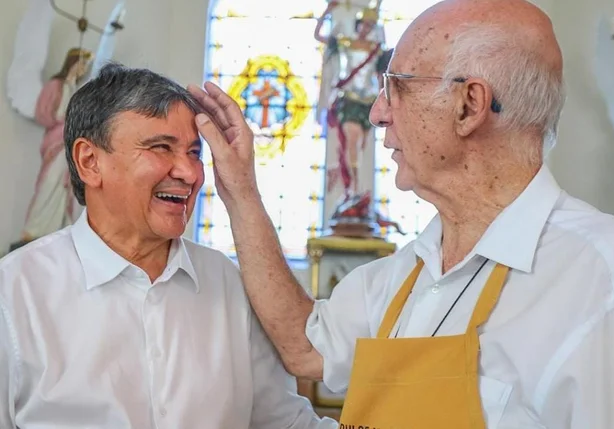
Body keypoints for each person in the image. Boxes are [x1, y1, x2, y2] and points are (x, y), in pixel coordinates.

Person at [189, 0, 614, 428]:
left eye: (398, 86)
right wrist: (242, 192)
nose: (377, 114)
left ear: (469, 105)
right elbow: (307, 347)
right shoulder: (405, 272)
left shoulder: (600, 280)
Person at [0, 63, 337, 429]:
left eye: (194, 153)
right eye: (161, 147)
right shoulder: (15, 293)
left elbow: (285, 424)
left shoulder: (230, 285)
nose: (190, 173)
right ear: (90, 161)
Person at [11, 48, 92, 252]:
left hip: (70, 144)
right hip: (57, 142)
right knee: (49, 182)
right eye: (81, 63)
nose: (83, 69)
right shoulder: (56, 84)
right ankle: (34, 229)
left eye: (86, 66)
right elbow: (43, 112)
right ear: (72, 62)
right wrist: (61, 121)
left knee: (65, 189)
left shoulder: (75, 89)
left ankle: (58, 230)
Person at [315, 1, 391, 199]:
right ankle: (352, 188)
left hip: (368, 101)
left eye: (370, 25)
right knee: (352, 142)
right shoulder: (346, 42)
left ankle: (356, 187)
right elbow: (318, 36)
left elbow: (380, 74)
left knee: (362, 146)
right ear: (358, 25)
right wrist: (327, 11)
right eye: (364, 24)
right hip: (350, 98)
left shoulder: (377, 49)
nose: (366, 28)